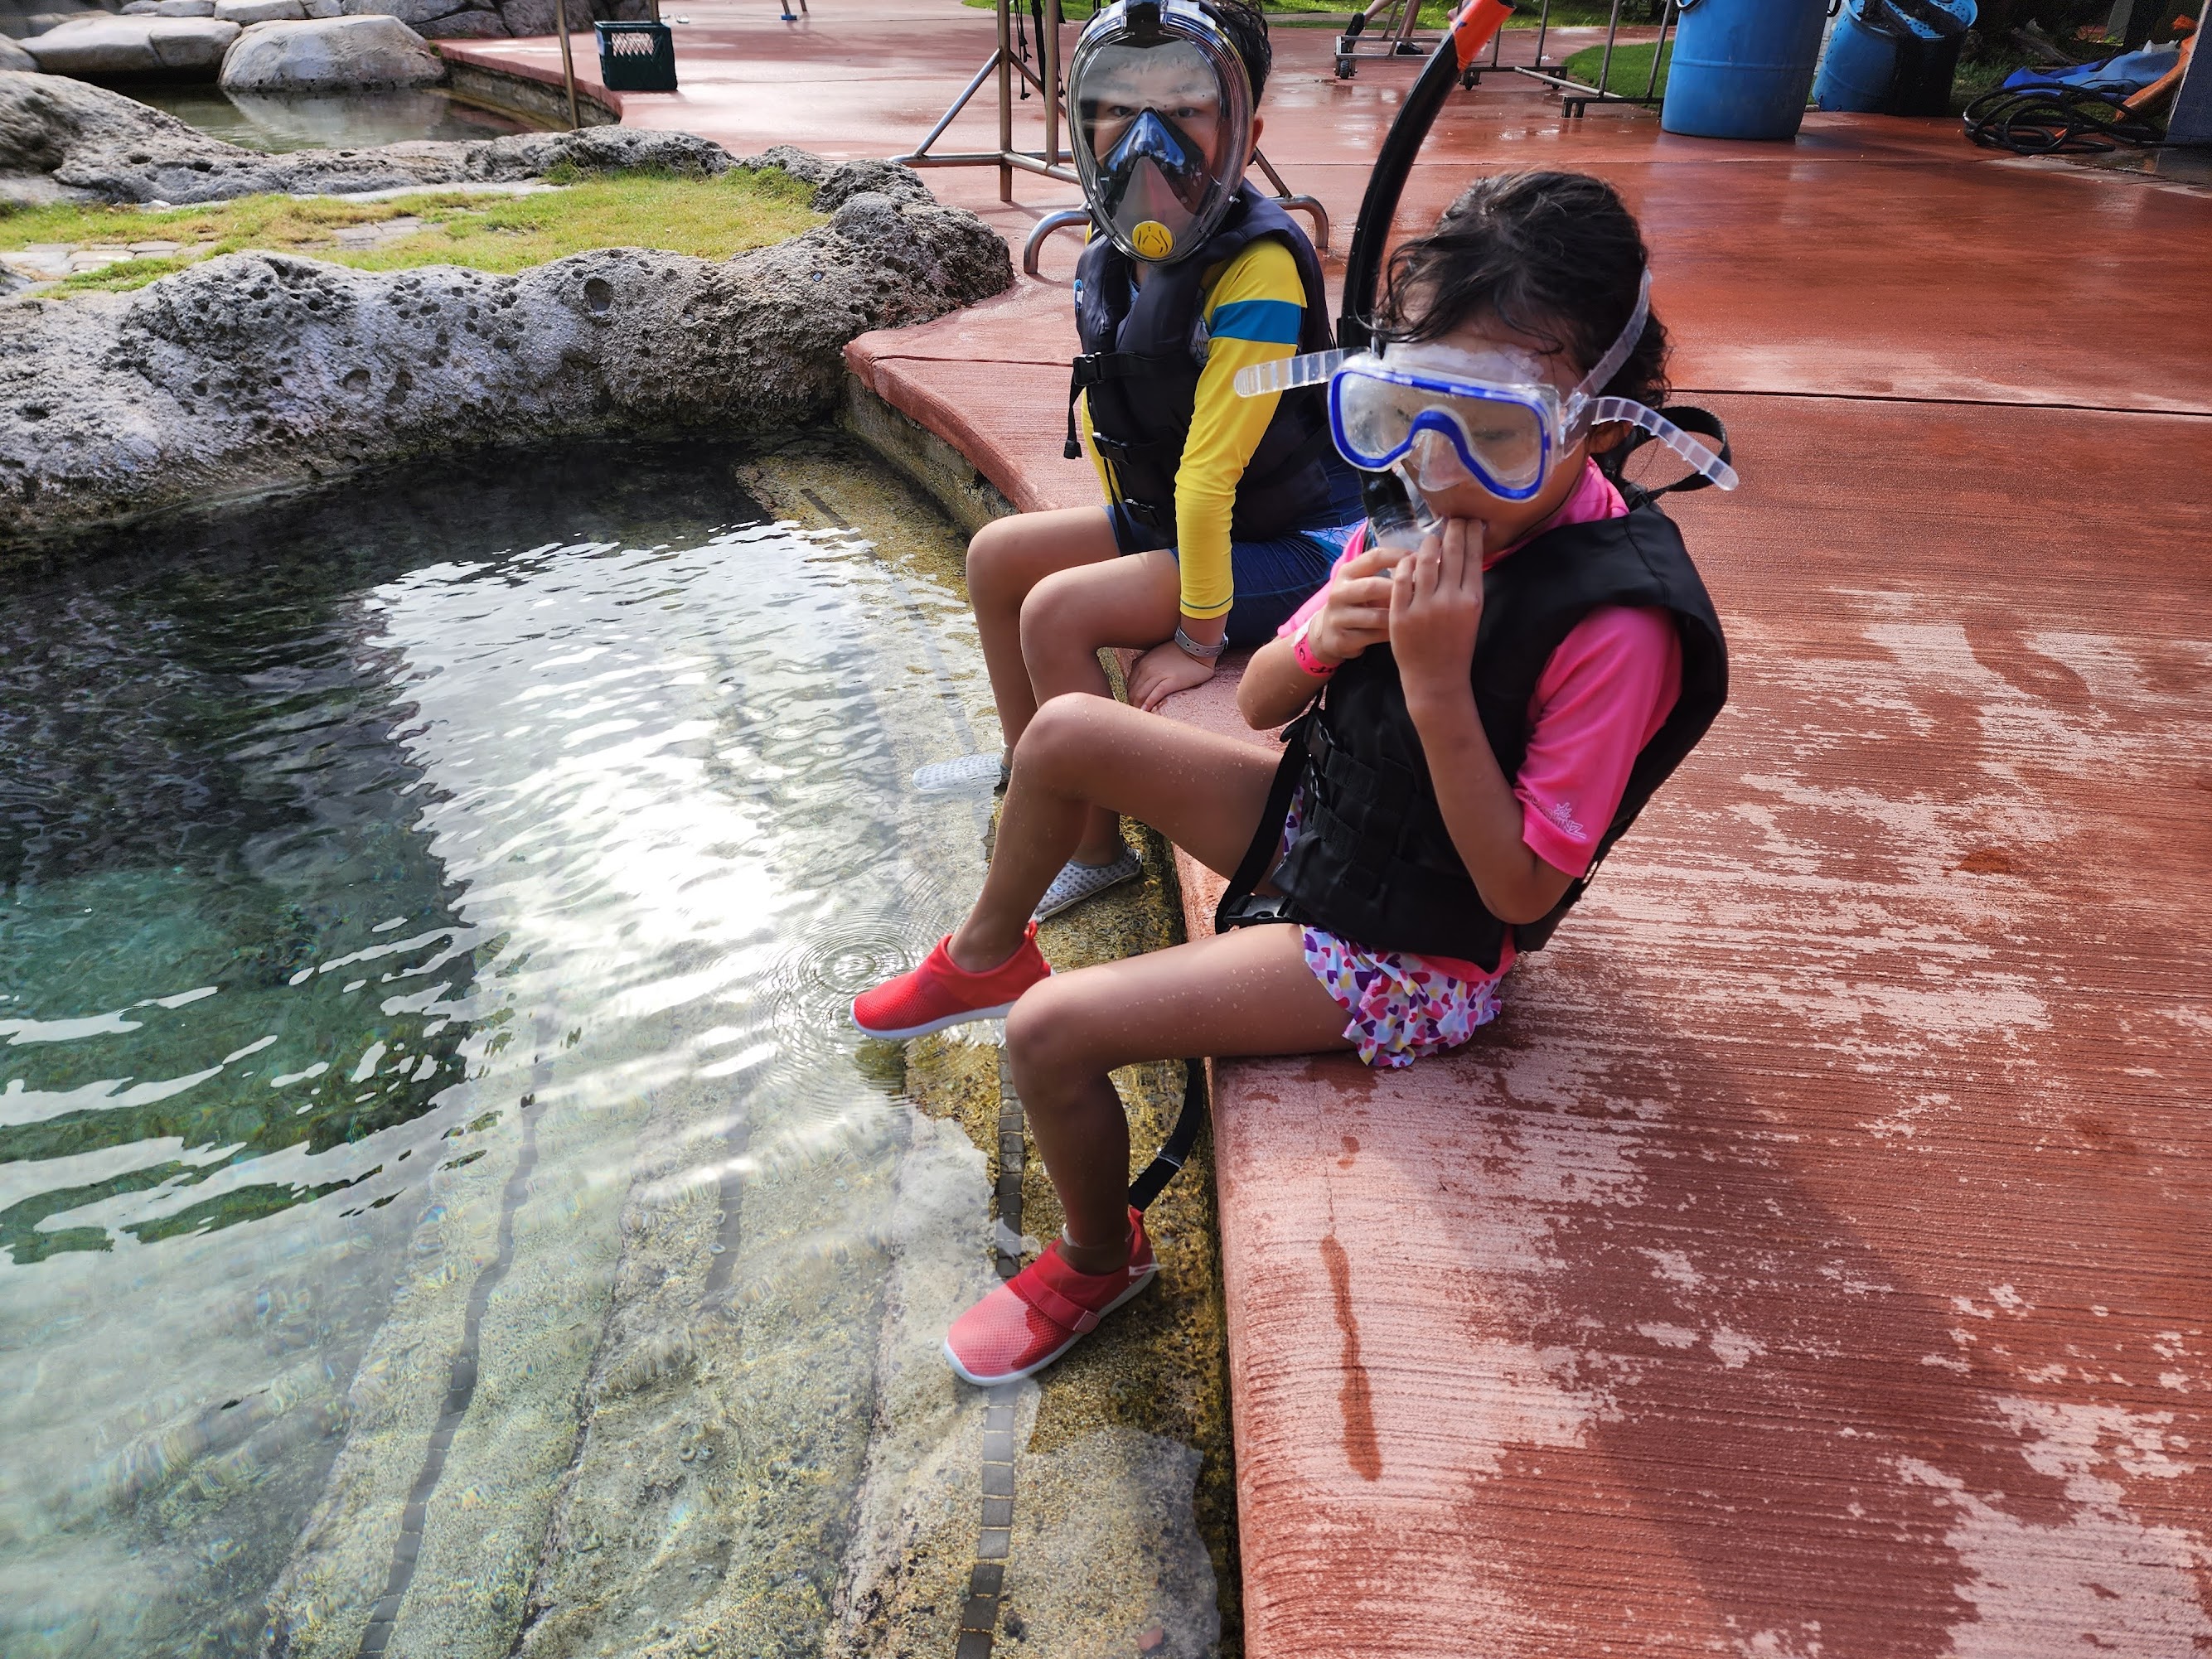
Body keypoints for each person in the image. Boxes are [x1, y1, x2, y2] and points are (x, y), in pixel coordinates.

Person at [858, 171, 1736, 1386]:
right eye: (1402, 409)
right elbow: (1268, 702)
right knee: (1065, 730)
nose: (1435, 463)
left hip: (1410, 956)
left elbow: (1521, 894)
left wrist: (1432, 683)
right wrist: (1328, 637)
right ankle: (988, 946)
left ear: (1597, 420)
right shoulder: (1418, 512)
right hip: (1328, 828)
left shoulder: (1613, 625)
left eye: (1490, 426)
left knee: (1054, 1035)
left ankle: (1101, 1256)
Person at [914, 0, 1366, 922]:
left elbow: (1210, 473)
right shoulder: (1118, 246)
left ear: (1243, 133)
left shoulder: (1259, 267)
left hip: (1298, 544)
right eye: (1118, 107)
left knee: (1056, 611)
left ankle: (1093, 850)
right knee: (997, 558)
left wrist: (1200, 637)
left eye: (1186, 109)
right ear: (1081, 121)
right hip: (1205, 521)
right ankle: (1028, 764)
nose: (1144, 138)